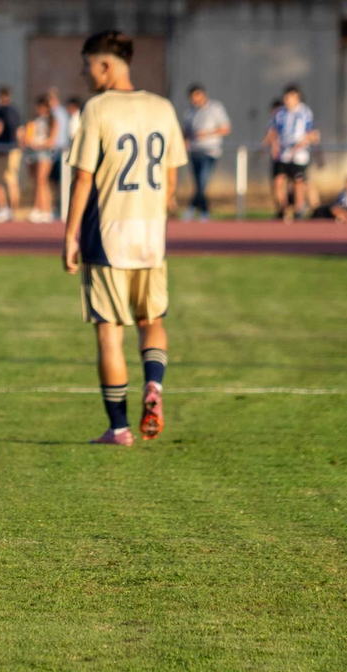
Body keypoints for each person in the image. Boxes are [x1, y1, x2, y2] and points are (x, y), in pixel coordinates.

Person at [62, 31, 187, 447]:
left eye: (86, 66)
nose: (84, 75)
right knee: (152, 322)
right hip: (151, 237)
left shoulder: (97, 108)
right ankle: (154, 386)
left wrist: (70, 235)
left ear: (105, 67)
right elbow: (171, 181)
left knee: (109, 332)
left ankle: (118, 429)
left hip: (108, 236)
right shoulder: (163, 107)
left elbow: (82, 178)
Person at [265, 85, 318, 222]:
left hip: (299, 154)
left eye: (291, 97)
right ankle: (284, 209)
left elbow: (311, 134)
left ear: (297, 98)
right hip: (283, 153)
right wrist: (274, 145)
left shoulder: (305, 112)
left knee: (298, 183)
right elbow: (273, 131)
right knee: (278, 181)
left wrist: (298, 146)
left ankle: (299, 210)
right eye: (286, 97)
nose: (288, 100)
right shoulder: (280, 113)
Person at [182, 83, 230, 221]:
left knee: (202, 182)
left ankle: (192, 209)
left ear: (203, 95)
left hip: (209, 151)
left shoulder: (215, 108)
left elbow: (225, 128)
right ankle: (203, 211)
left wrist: (206, 134)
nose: (194, 100)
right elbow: (186, 131)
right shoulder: (190, 112)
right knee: (198, 184)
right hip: (194, 150)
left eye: (197, 96)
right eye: (192, 98)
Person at [0, 86, 21, 221]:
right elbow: (21, 131)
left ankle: (4, 209)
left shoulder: (0, 111)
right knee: (12, 180)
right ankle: (13, 212)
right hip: (14, 149)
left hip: (1, 150)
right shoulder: (16, 111)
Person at [23, 96, 56, 222]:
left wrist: (37, 144)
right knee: (39, 182)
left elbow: (51, 141)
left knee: (41, 180)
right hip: (34, 153)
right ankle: (44, 209)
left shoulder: (52, 120)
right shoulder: (35, 120)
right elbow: (29, 135)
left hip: (45, 154)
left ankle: (41, 210)